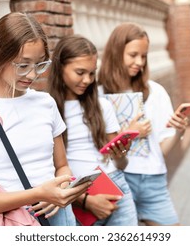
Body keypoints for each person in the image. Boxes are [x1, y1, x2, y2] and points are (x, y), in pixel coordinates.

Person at [0, 12, 90, 226]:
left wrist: (62, 189)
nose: (32, 75)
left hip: (61, 215)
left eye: (39, 64)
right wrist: (38, 194)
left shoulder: (46, 103)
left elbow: (61, 165)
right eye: (23, 65)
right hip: (15, 219)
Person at [97, 22, 189, 226]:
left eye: (144, 56)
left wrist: (177, 131)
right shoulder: (97, 94)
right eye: (133, 55)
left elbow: (161, 149)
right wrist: (129, 133)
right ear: (116, 52)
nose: (139, 61)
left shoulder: (155, 92)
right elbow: (97, 149)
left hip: (153, 181)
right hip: (116, 180)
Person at [47, 34, 138, 226]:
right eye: (80, 72)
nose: (87, 80)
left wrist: (121, 154)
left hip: (114, 186)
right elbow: (47, 170)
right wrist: (86, 201)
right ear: (60, 68)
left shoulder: (102, 106)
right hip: (76, 195)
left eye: (91, 73)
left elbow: (120, 164)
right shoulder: (47, 109)